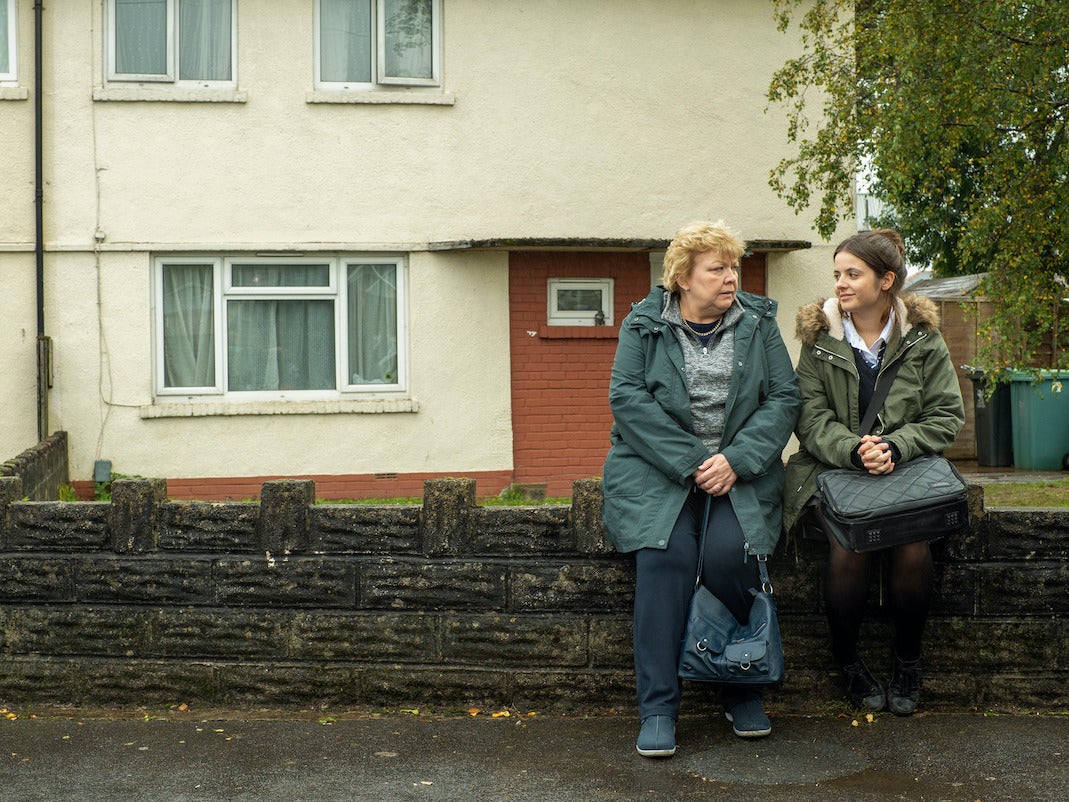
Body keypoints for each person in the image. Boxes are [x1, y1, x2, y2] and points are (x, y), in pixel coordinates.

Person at [601, 220, 799, 758]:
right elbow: (628, 399)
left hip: (740, 474)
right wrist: (694, 462)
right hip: (657, 474)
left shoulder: (758, 324)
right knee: (664, 560)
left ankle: (740, 688)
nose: (730, 277)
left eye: (734, 266)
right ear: (683, 278)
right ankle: (660, 707)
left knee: (729, 557)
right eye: (717, 268)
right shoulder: (644, 324)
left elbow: (783, 398)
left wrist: (734, 460)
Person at [782, 228, 965, 716]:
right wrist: (854, 449)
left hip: (903, 469)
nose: (840, 284)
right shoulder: (818, 341)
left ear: (886, 281)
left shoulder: (923, 340)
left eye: (852, 274)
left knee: (912, 545)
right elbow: (809, 418)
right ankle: (847, 660)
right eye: (837, 273)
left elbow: (947, 415)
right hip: (835, 470)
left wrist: (896, 447)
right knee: (848, 545)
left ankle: (907, 660)